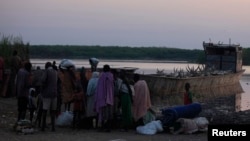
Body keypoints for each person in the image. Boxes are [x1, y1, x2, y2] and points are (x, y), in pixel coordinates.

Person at [94, 64, 114, 132]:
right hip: (110, 97)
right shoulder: (111, 76)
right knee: (109, 114)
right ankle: (108, 128)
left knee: (102, 113)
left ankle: (102, 127)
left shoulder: (102, 76)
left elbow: (99, 87)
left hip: (103, 98)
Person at [41, 61, 58, 131]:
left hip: (47, 93)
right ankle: (53, 127)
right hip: (54, 93)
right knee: (53, 111)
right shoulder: (55, 72)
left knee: (45, 110)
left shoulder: (47, 71)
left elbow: (42, 80)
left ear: (46, 66)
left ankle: (43, 126)